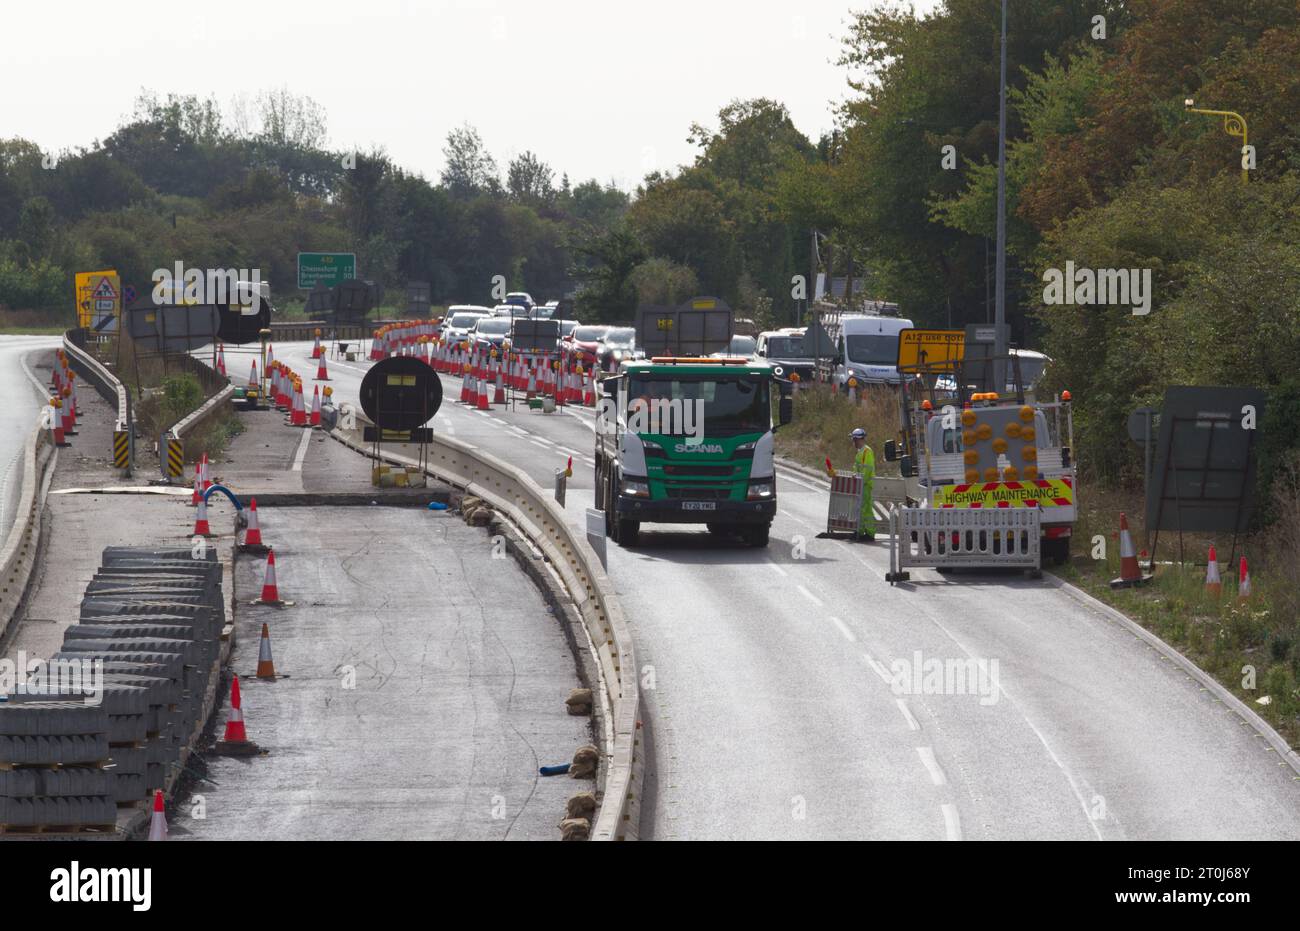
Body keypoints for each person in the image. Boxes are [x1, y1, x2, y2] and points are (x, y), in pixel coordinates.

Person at [850, 427, 875, 540]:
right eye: (853, 439)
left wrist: (860, 480)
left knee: (866, 510)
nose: (854, 442)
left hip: (865, 485)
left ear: (860, 439)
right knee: (859, 509)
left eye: (855, 439)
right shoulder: (860, 452)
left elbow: (868, 469)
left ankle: (869, 533)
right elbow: (857, 467)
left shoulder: (867, 451)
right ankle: (859, 532)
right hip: (860, 485)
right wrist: (855, 476)